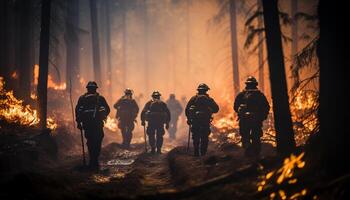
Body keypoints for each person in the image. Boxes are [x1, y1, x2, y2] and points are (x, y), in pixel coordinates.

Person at [75, 81, 110, 170]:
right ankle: (95, 160)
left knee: (90, 141)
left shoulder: (82, 98)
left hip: (87, 125)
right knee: (97, 141)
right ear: (95, 89)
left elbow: (78, 111)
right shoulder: (100, 98)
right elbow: (108, 109)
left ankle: (92, 160)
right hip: (98, 124)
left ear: (87, 88)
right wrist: (103, 116)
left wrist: (79, 123)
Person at [234, 76, 270, 156]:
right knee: (256, 137)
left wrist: (241, 113)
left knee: (245, 136)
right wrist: (262, 117)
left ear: (246, 84)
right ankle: (256, 154)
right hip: (256, 120)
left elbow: (235, 106)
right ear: (255, 84)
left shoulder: (241, 95)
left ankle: (248, 152)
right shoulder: (260, 95)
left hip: (244, 120)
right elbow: (266, 107)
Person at [185, 83, 219, 156]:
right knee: (204, 136)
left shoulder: (193, 98)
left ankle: (196, 152)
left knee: (196, 136)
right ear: (206, 90)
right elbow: (216, 109)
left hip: (195, 121)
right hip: (205, 121)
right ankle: (203, 153)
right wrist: (210, 110)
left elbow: (187, 109)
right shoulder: (209, 99)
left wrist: (189, 119)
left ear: (198, 90)